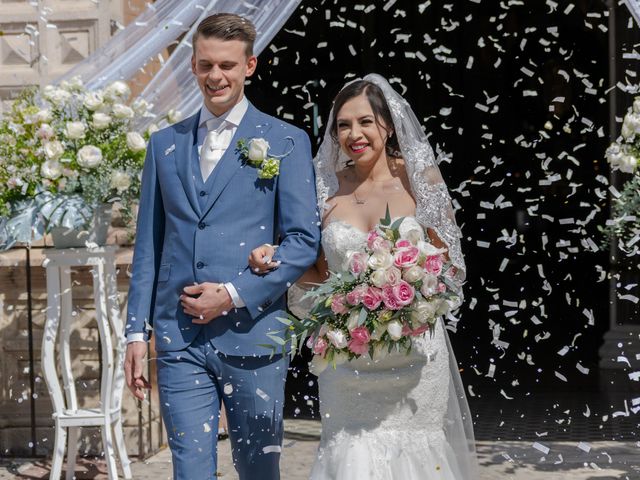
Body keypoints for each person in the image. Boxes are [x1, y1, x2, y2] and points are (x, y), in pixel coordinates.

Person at [250, 74, 478, 479]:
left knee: (419, 453)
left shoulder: (420, 181)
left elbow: (449, 267)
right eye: (343, 125)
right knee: (351, 453)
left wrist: (411, 292)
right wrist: (279, 259)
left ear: (387, 125)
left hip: (416, 356)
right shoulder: (324, 191)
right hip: (349, 356)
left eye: (365, 122)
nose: (354, 134)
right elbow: (318, 273)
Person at [123, 13, 321, 480]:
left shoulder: (285, 142)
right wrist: (135, 331)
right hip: (179, 339)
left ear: (250, 65)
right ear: (193, 65)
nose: (216, 76)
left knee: (257, 472)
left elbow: (303, 241)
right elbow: (149, 246)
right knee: (189, 471)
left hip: (253, 335)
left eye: (228, 65)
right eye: (206, 64)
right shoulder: (162, 146)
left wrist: (232, 293)